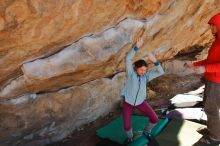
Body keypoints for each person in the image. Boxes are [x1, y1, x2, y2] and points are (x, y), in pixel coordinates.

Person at [121, 37, 165, 145]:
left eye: (145, 70)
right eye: (141, 70)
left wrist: (155, 61)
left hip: (141, 102)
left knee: (154, 118)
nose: (143, 72)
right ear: (135, 68)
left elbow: (161, 72)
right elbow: (128, 59)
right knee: (126, 126)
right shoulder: (131, 74)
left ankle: (146, 132)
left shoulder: (146, 76)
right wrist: (136, 48)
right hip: (128, 102)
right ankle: (130, 137)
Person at [185, 12, 220, 144]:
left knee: (211, 108)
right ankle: (213, 130)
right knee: (208, 106)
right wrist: (194, 64)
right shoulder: (217, 41)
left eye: (213, 25)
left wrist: (206, 69)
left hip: (217, 82)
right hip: (212, 80)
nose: (211, 28)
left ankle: (215, 137)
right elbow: (210, 60)